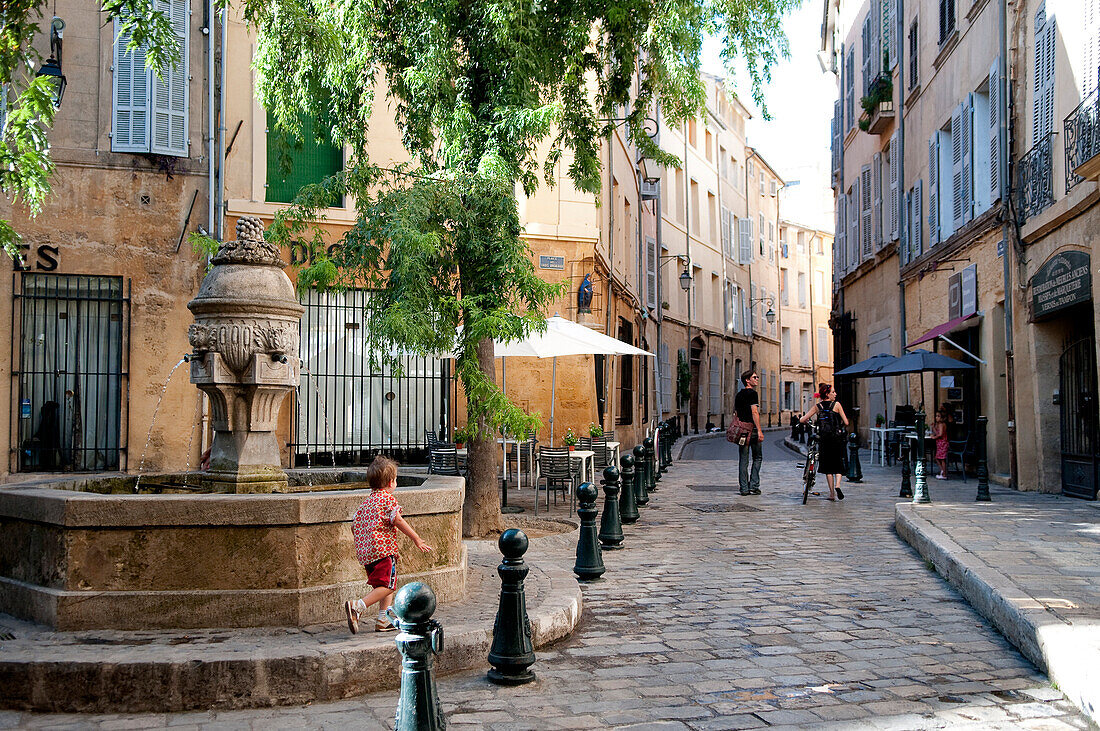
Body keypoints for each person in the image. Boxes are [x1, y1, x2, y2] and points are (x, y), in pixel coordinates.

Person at [345, 456, 432, 633]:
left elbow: (354, 526)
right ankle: (358, 606)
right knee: (388, 585)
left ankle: (383, 619)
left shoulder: (365, 503)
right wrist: (416, 538)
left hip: (367, 554)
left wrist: (365, 543)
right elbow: (397, 520)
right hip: (383, 551)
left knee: (383, 585)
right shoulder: (387, 500)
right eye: (396, 479)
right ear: (391, 482)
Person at [799, 383, 849, 501]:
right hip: (837, 438)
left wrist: (807, 423)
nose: (835, 394)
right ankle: (837, 486)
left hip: (824, 439)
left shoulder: (818, 407)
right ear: (827, 394)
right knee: (838, 464)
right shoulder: (837, 405)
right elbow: (846, 422)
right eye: (833, 392)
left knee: (828, 468)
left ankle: (832, 494)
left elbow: (802, 419)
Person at [734, 369, 764, 495]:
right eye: (755, 377)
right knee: (757, 457)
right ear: (747, 380)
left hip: (742, 431)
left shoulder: (739, 395)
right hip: (753, 429)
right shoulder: (752, 394)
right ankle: (754, 485)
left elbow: (736, 413)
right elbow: (754, 412)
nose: (757, 379)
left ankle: (744, 488)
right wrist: (760, 430)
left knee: (743, 459)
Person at [932, 407, 950, 480]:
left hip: (942, 443)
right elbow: (938, 433)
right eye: (936, 416)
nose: (936, 418)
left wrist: (934, 437)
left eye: (938, 416)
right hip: (940, 443)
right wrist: (933, 428)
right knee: (937, 458)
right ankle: (942, 471)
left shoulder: (941, 424)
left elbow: (940, 434)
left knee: (942, 459)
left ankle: (944, 473)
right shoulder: (939, 424)